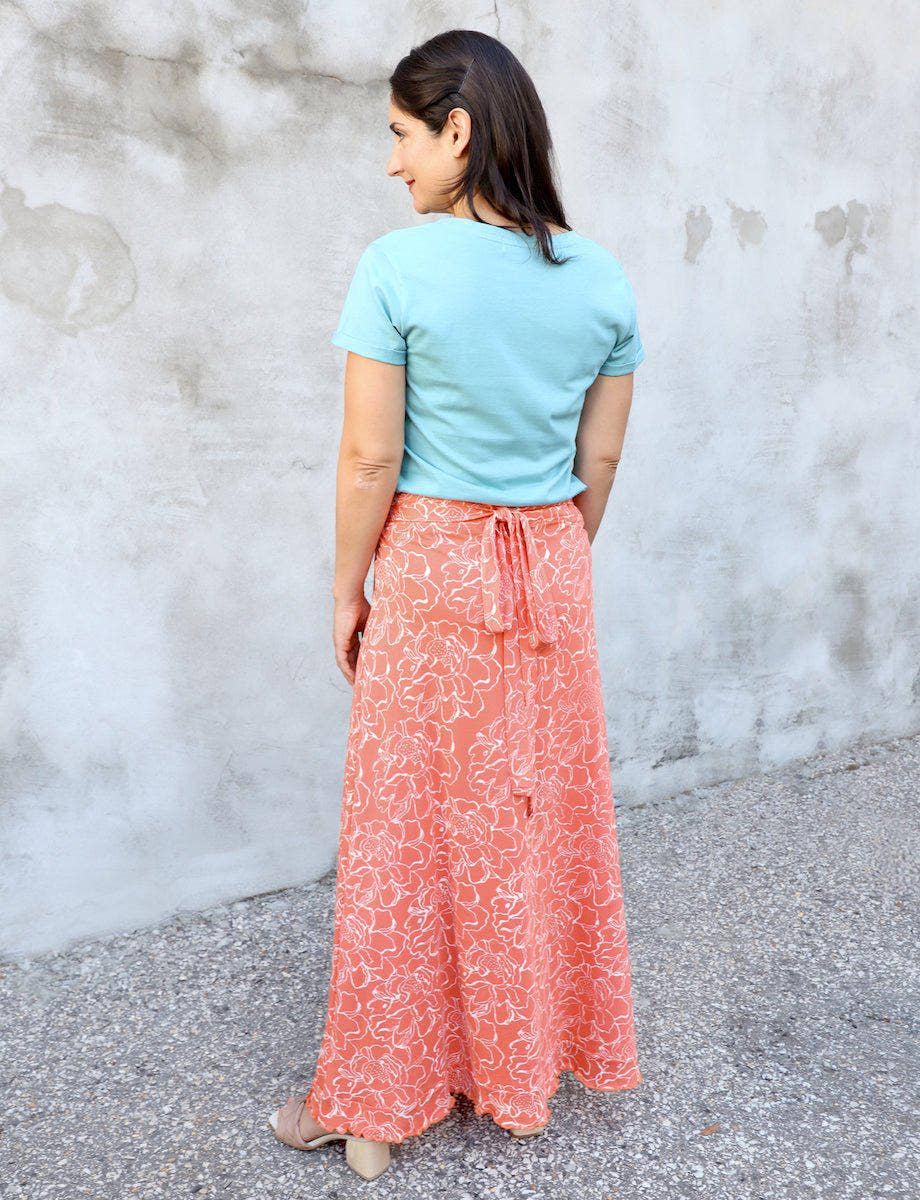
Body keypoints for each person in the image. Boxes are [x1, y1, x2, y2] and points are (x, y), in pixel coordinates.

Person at [268, 27, 645, 1182]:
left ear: (458, 131)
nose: (392, 162)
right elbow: (598, 460)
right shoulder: (601, 278)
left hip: (432, 565)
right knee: (530, 821)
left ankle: (371, 1108)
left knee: (403, 831)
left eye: (400, 135)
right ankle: (518, 1067)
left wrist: (347, 587)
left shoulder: (398, 268)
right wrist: (550, 555)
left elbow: (367, 458)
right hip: (550, 567)